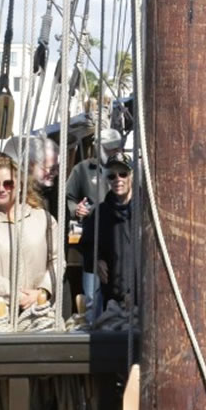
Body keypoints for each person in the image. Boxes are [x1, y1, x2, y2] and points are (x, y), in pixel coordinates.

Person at [0, 155, 57, 311]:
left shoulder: (44, 219)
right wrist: (15, 293)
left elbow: (57, 260)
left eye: (8, 184)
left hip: (41, 308)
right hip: (1, 313)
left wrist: (42, 291)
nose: (1, 189)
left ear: (20, 185)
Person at [78, 155, 137, 309]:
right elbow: (86, 245)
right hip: (112, 298)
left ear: (131, 175)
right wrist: (96, 260)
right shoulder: (99, 213)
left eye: (123, 174)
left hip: (142, 295)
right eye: (112, 176)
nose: (118, 179)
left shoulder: (146, 211)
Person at [68, 128, 124, 218]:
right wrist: (76, 209)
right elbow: (68, 198)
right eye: (111, 148)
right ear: (98, 148)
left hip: (121, 226)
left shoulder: (128, 171)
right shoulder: (82, 169)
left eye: (117, 148)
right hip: (92, 226)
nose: (116, 151)